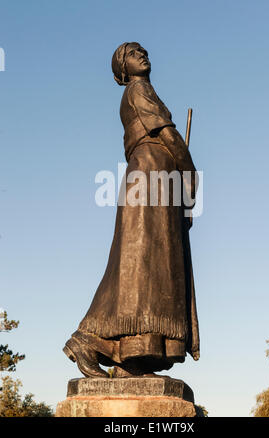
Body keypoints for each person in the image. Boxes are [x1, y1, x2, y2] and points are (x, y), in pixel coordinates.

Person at [63, 42, 199, 378]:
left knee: (153, 266)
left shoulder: (143, 89)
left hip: (159, 182)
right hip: (151, 177)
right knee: (138, 262)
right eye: (132, 53)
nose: (143, 54)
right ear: (123, 70)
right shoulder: (139, 89)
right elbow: (169, 135)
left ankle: (133, 357)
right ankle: (89, 339)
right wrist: (191, 176)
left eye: (143, 51)